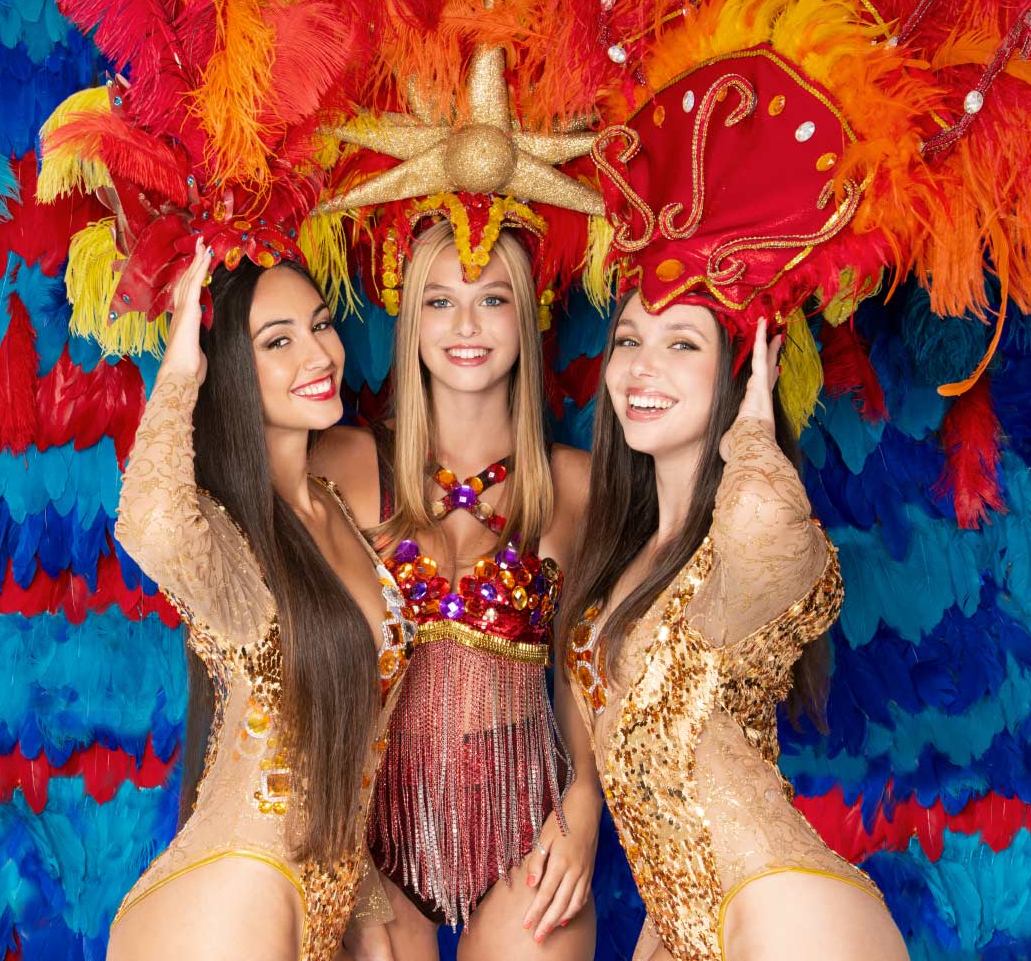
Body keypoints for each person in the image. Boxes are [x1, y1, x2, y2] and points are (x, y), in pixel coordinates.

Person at [558, 303, 907, 961]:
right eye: (628, 340)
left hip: (791, 915)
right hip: (691, 924)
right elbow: (659, 794)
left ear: (741, 374)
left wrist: (750, 425)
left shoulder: (754, 550)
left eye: (682, 344)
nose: (641, 366)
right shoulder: (626, 560)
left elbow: (760, 505)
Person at [109, 240, 415, 961]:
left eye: (321, 324)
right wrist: (181, 369)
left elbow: (346, 746)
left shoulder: (338, 505)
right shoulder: (228, 539)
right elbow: (148, 521)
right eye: (278, 341)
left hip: (309, 902)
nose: (318, 355)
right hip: (230, 901)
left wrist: (363, 913)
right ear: (230, 370)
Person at [311, 217, 601, 960]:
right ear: (408, 321)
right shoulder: (342, 464)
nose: (465, 324)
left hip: (525, 827)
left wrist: (583, 807)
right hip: (369, 834)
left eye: (492, 300)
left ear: (527, 316)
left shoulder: (573, 486)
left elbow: (590, 669)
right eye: (438, 302)